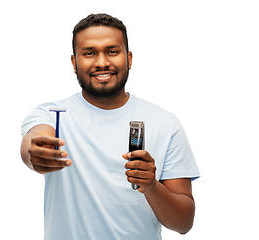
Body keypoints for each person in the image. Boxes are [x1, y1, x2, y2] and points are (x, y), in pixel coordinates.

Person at [20, 13, 200, 240]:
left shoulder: (165, 122)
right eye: (89, 53)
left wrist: (152, 187)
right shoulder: (51, 114)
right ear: (75, 63)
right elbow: (34, 140)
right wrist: (35, 153)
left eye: (112, 51)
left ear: (129, 59)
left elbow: (184, 223)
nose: (102, 62)